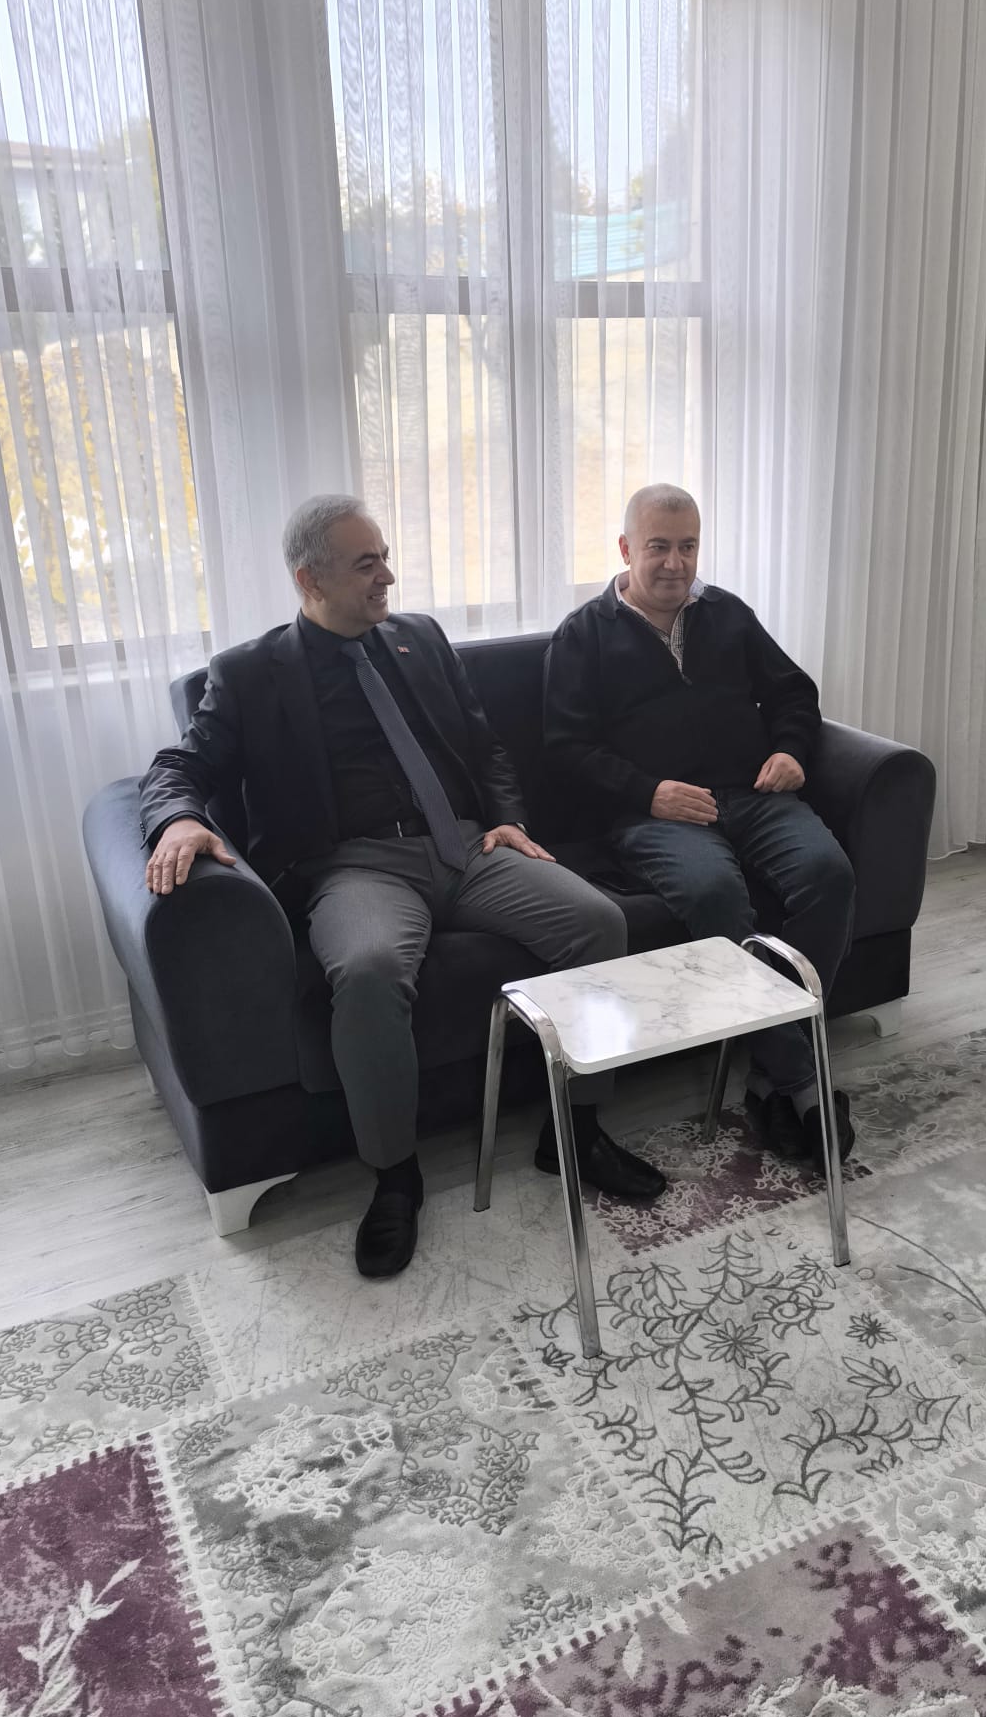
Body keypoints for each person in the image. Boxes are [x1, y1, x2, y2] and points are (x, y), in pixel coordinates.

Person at [140, 495, 666, 1281]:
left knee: (598, 921)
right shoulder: (250, 674)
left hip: (467, 848)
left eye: (385, 556)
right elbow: (178, 767)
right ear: (309, 579)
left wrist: (508, 820)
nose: (387, 575)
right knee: (369, 970)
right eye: (366, 564)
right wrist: (179, 819)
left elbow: (485, 746)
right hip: (356, 867)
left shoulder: (420, 638)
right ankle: (395, 1176)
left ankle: (577, 1133)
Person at [543, 482, 857, 1165]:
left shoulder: (727, 614)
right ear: (625, 549)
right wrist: (648, 792)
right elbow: (565, 750)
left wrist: (791, 749)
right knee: (715, 894)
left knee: (828, 874)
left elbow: (793, 692)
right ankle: (802, 1077)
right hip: (653, 816)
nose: (675, 563)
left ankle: (771, 1072)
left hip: (753, 794)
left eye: (688, 546)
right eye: (658, 547)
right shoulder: (583, 635)